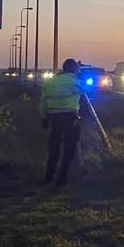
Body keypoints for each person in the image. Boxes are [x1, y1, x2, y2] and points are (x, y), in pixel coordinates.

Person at [39, 58, 84, 186]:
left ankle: (49, 176)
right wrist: (81, 77)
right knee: (69, 149)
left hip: (54, 118)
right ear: (75, 69)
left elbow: (42, 103)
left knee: (54, 148)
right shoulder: (74, 82)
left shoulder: (50, 83)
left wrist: (43, 118)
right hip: (70, 118)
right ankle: (61, 179)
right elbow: (88, 89)